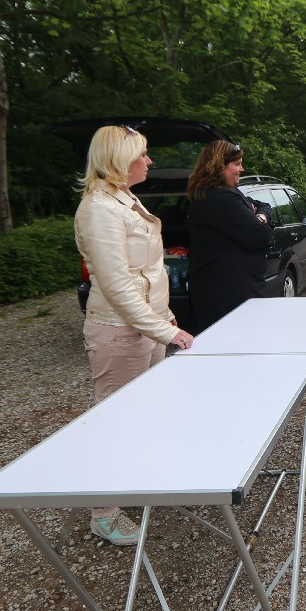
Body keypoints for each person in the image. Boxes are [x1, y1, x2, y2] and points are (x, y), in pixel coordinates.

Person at [74, 125, 194, 545]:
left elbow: (148, 274)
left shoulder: (124, 199)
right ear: (119, 159)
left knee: (146, 411)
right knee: (113, 423)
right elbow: (117, 285)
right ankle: (103, 513)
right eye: (142, 154)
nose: (149, 161)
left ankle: (142, 481)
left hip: (145, 329)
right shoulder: (99, 209)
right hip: (118, 332)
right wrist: (167, 330)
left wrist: (164, 318)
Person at [186, 140, 277, 333]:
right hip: (227, 295)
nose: (242, 169)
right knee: (237, 342)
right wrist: (261, 221)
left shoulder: (227, 192)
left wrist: (260, 216)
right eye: (237, 164)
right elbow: (261, 236)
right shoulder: (219, 198)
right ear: (219, 166)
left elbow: (264, 206)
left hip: (230, 289)